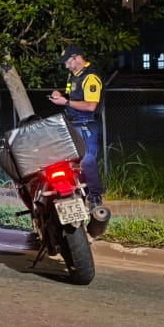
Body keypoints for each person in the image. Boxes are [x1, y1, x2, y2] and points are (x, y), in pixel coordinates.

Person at [48, 46, 104, 207]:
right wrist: (60, 96)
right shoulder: (73, 76)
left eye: (67, 62)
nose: (65, 66)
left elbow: (91, 106)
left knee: (87, 160)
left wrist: (65, 102)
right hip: (73, 123)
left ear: (76, 57)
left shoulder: (90, 78)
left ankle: (95, 196)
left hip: (87, 125)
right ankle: (78, 192)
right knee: (70, 160)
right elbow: (71, 97)